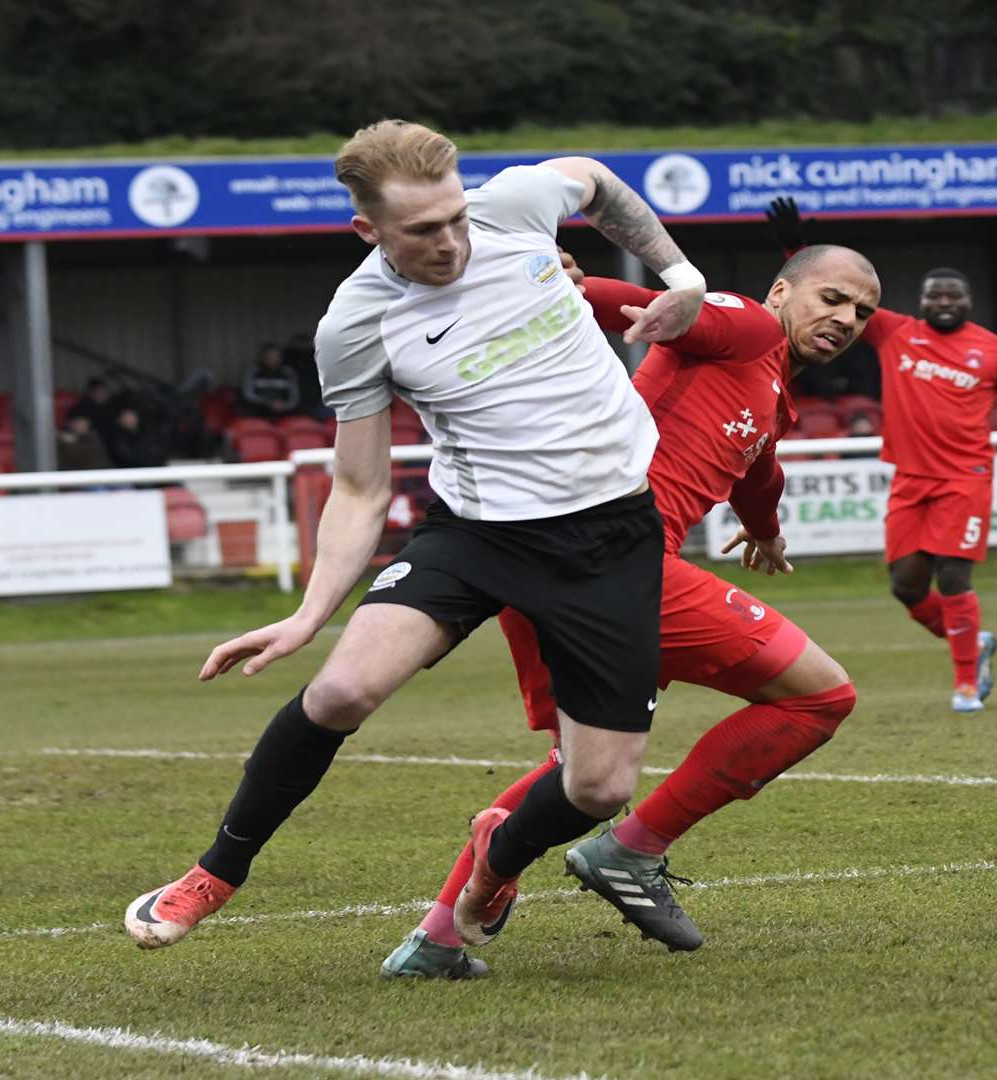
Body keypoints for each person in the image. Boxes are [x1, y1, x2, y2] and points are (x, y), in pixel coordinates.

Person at [123, 119, 708, 955]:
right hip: (479, 534)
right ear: (368, 230)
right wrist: (309, 613)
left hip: (609, 535)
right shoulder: (357, 324)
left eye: (456, 218)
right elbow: (359, 487)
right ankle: (216, 872)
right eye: (424, 231)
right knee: (338, 693)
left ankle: (495, 861)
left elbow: (596, 179)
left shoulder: (512, 207)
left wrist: (680, 274)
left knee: (598, 784)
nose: (452, 241)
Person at [382, 245, 879, 978]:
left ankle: (435, 942)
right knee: (820, 696)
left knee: (576, 769)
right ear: (780, 291)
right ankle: (632, 850)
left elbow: (760, 468)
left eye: (862, 313)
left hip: (548, 563)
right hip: (619, 563)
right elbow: (659, 308)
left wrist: (767, 530)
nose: (845, 319)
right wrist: (569, 286)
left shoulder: (770, 386)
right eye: (831, 298)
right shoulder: (746, 326)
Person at [766, 198, 997, 713]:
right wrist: (795, 246)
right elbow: (825, 289)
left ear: (968, 300)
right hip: (910, 479)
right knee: (906, 587)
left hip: (966, 477)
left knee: (954, 577)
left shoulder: (993, 349)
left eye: (954, 293)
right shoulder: (895, 331)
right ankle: (974, 644)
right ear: (924, 300)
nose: (945, 301)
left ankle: (965, 684)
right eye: (936, 294)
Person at [238, 343, 303, 418]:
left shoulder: (288, 372)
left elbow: (294, 395)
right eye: (269, 357)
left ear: (281, 357)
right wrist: (268, 403)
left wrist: (285, 405)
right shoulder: (252, 371)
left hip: (283, 408)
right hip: (258, 408)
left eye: (276, 357)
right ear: (262, 357)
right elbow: (248, 394)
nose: (272, 359)